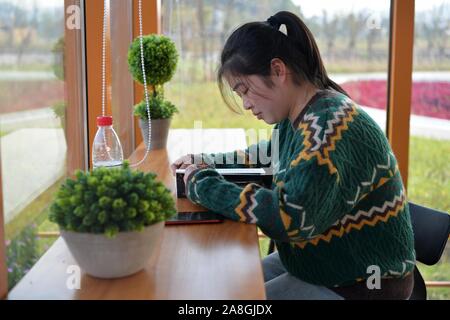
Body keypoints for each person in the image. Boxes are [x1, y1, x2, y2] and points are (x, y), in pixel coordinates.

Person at [170, 11, 415, 300]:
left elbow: (289, 218)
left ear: (277, 70)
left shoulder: (328, 126)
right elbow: (267, 154)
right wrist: (208, 161)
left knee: (235, 302)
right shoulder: (300, 115)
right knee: (227, 286)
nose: (246, 104)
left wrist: (203, 185)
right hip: (322, 258)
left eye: (244, 90)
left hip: (365, 281)